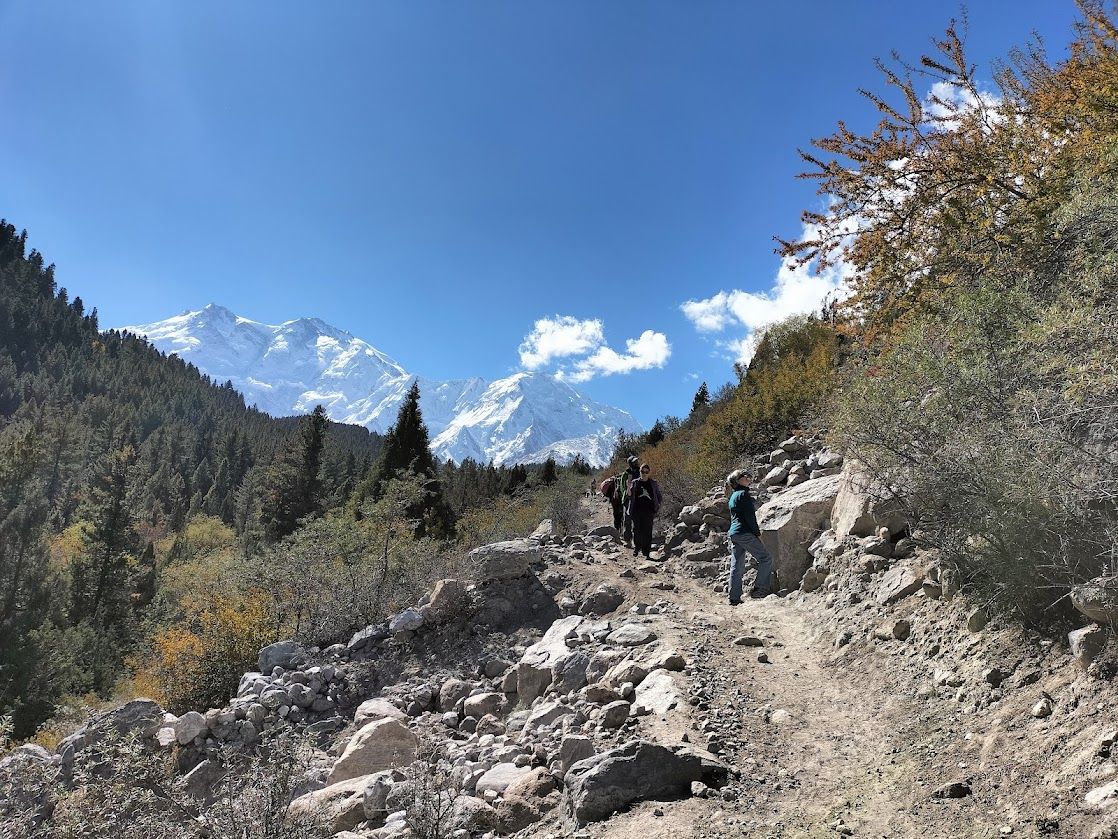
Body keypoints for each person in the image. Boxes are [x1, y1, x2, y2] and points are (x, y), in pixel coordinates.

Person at [725, 468, 775, 604]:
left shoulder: (733, 496)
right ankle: (760, 590)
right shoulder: (743, 494)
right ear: (738, 480)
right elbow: (750, 517)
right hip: (744, 532)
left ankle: (734, 597)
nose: (747, 477)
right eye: (744, 476)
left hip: (734, 533)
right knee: (766, 558)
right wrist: (757, 534)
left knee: (737, 564)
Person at [626, 463, 662, 559]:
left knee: (647, 531)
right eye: (642, 471)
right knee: (636, 530)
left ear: (649, 472)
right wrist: (628, 487)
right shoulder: (635, 482)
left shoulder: (653, 483)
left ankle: (646, 552)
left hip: (649, 511)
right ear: (640, 472)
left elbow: (658, 495)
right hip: (636, 510)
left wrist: (657, 506)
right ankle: (637, 548)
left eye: (646, 472)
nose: (644, 474)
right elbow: (629, 495)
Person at [619, 455, 641, 546]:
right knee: (628, 520)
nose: (637, 463)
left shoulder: (640, 472)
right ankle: (628, 540)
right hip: (629, 499)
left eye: (637, 461)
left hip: (638, 498)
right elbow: (623, 487)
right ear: (631, 463)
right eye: (635, 462)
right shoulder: (626, 474)